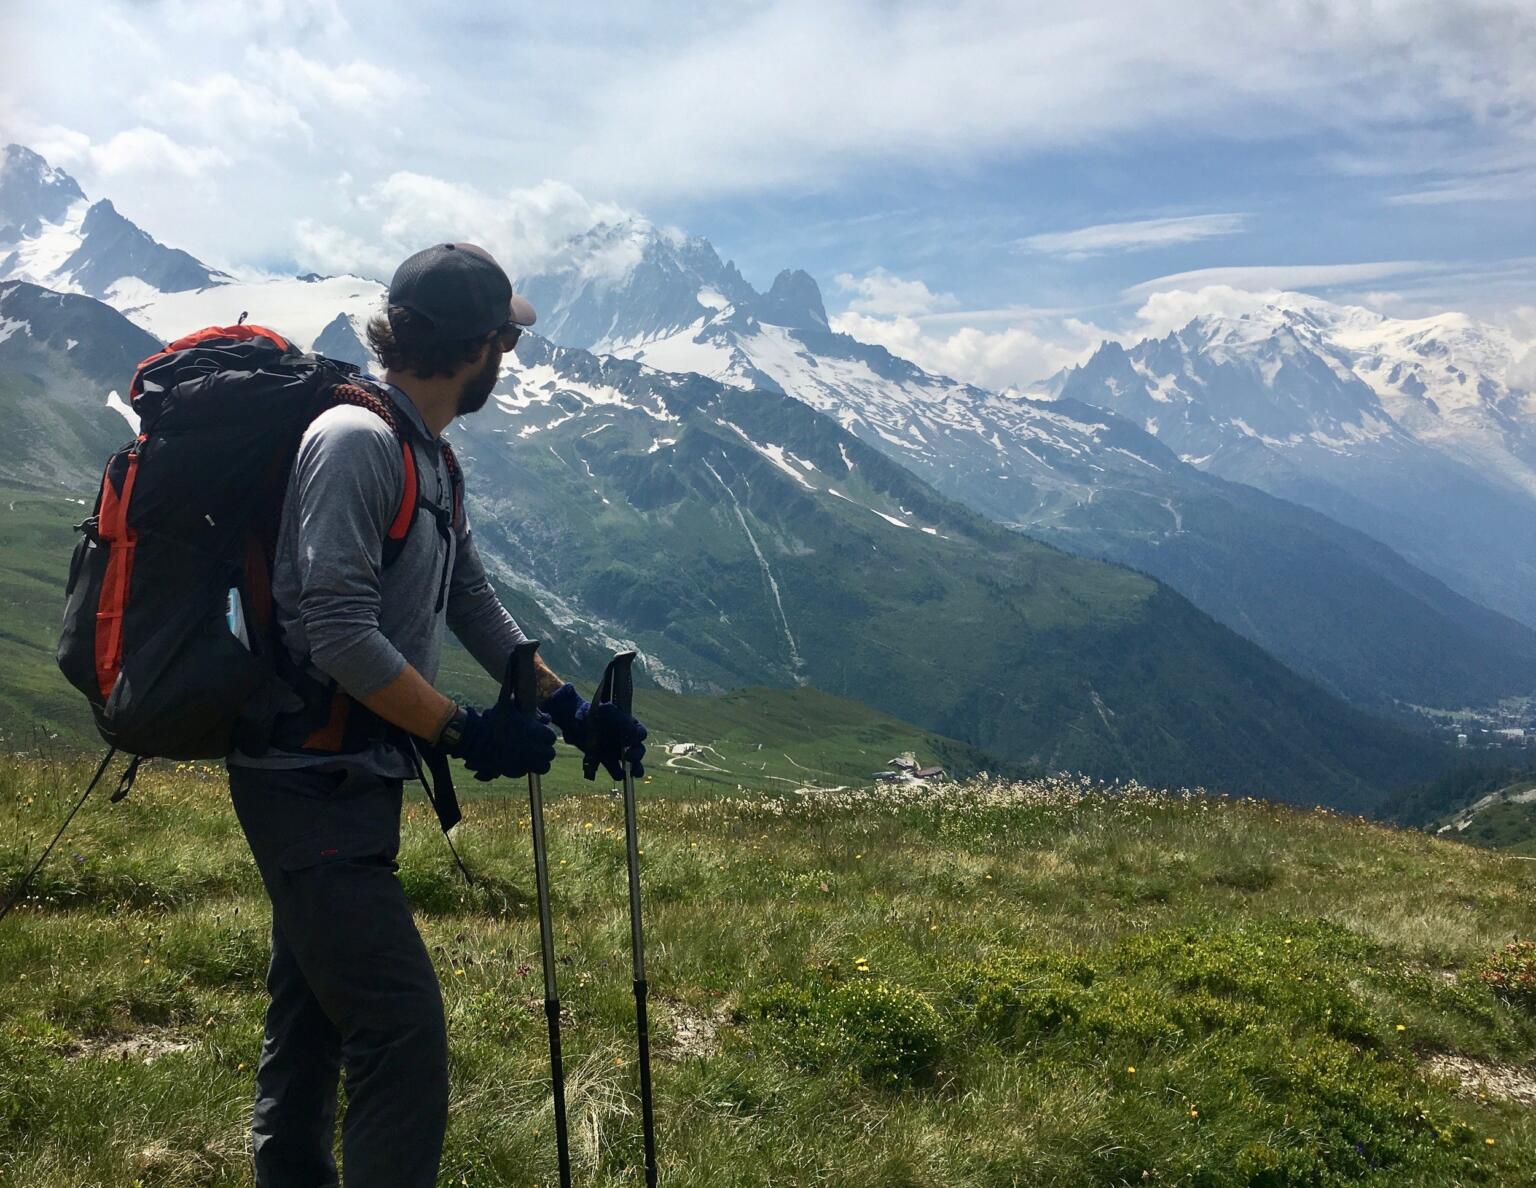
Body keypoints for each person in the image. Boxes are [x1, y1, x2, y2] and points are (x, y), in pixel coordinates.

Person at [227, 242, 647, 1188]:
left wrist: (572, 709)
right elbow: (335, 631)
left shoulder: (428, 457)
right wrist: (460, 730)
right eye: (507, 338)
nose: (509, 357)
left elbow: (472, 600)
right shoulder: (356, 443)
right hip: (306, 782)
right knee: (400, 1027)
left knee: (312, 1016)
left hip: (352, 780)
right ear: (482, 345)